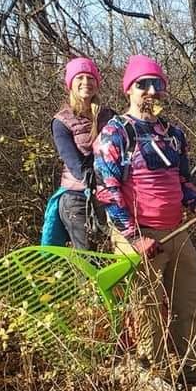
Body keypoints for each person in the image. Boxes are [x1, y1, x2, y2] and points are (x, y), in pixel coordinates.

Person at [94, 55, 196, 381]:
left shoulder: (174, 134)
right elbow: (108, 191)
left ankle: (192, 371)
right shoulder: (115, 133)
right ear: (129, 90)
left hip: (177, 230)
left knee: (190, 300)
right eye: (143, 85)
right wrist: (134, 237)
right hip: (137, 236)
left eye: (157, 84)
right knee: (147, 311)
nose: (151, 91)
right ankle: (154, 379)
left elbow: (182, 180)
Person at [44, 57, 114, 250]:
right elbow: (74, 164)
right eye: (80, 78)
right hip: (77, 197)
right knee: (88, 258)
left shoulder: (109, 116)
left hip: (111, 194)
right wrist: (96, 184)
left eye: (90, 78)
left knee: (115, 252)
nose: (86, 82)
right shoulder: (61, 121)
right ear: (71, 84)